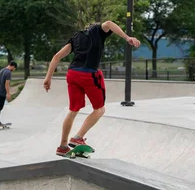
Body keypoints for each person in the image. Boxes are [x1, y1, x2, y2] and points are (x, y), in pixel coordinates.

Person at [43, 21, 141, 156]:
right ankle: (78, 138)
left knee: (73, 111)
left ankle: (63, 146)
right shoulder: (98, 30)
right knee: (100, 109)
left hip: (72, 74)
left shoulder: (76, 37)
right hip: (88, 74)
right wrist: (127, 37)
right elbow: (109, 23)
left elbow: (57, 56)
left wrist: (48, 78)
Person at [0, 61, 17, 126]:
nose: (14, 70)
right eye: (14, 69)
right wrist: (8, 94)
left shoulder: (2, 70)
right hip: (1, 93)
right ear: (13, 66)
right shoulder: (8, 72)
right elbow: (7, 84)